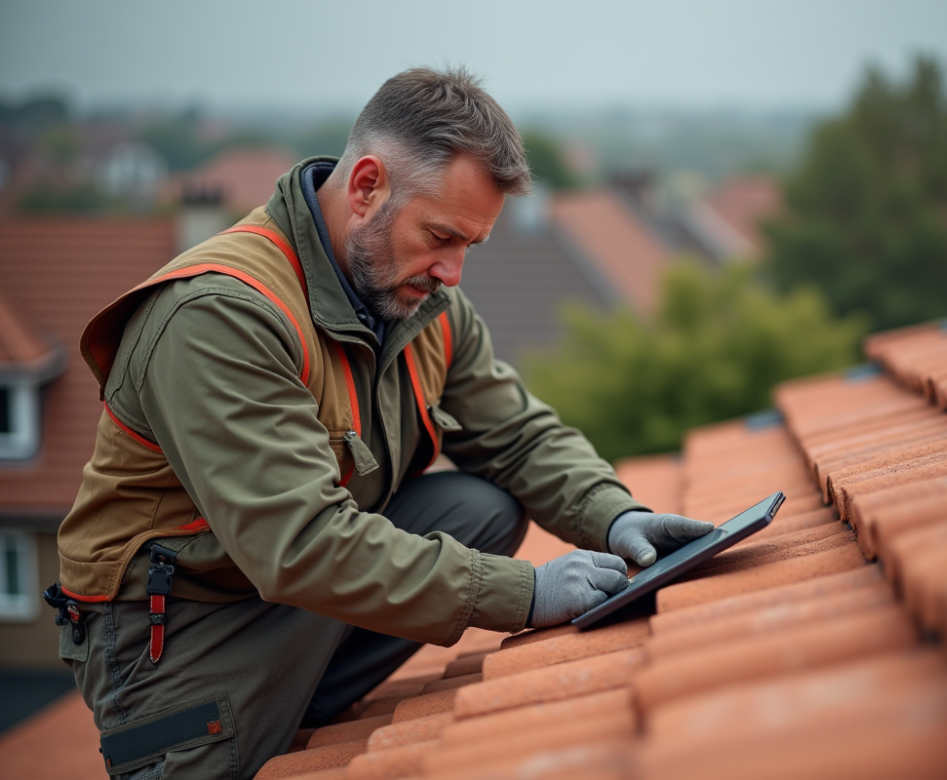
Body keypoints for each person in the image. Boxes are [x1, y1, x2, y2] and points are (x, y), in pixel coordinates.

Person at [48, 67, 713, 779]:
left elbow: (517, 434)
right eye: (441, 236)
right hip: (188, 628)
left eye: (470, 247)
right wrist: (525, 594)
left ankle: (306, 693)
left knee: (477, 507)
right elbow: (299, 542)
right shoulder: (219, 316)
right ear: (366, 188)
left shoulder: (413, 295)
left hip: (293, 590)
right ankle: (229, 721)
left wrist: (615, 518)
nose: (453, 273)